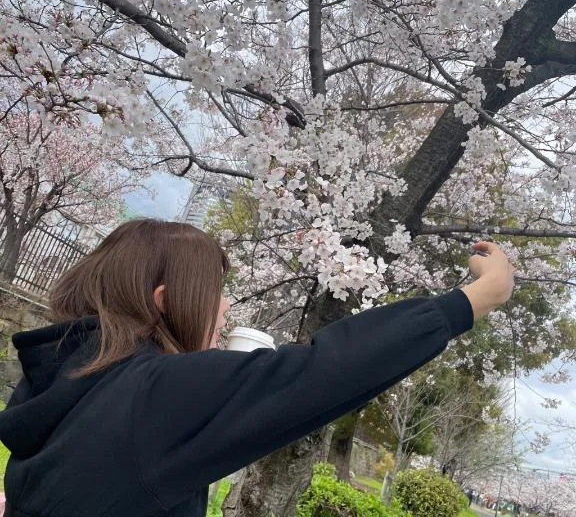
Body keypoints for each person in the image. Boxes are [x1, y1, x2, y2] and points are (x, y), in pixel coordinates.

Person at [0, 219, 515, 517]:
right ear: (163, 301)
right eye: (214, 293)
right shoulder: (151, 397)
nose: (225, 308)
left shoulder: (64, 386)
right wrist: (472, 301)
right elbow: (320, 373)